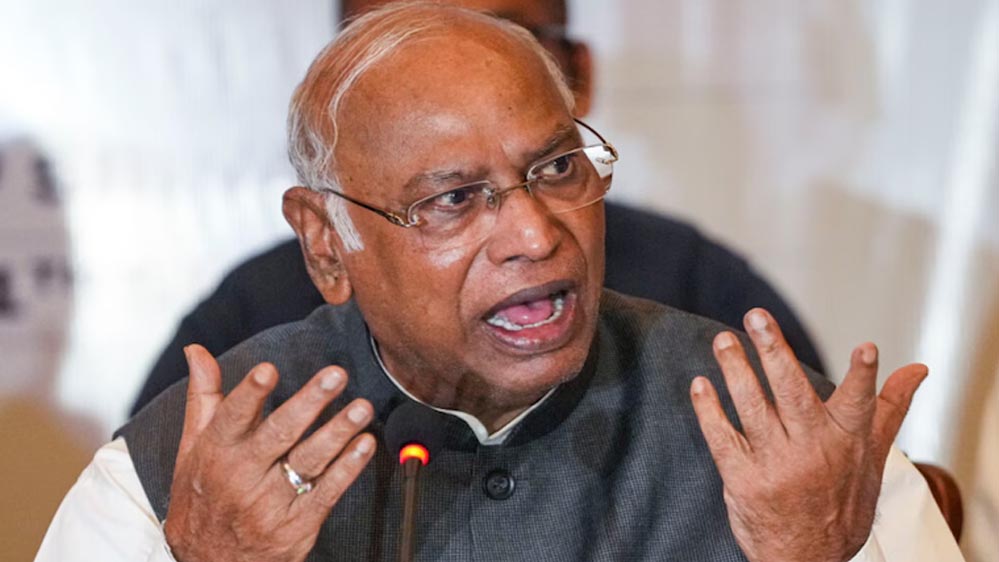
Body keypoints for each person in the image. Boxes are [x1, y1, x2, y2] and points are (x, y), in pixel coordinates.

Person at [38, 4, 961, 561]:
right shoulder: (180, 477)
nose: (534, 234)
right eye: (452, 200)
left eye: (556, 169)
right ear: (326, 244)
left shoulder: (786, 443)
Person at [129, 0, 825, 416]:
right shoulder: (246, 334)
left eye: (498, 35)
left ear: (574, 75)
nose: (533, 237)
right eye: (452, 198)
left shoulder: (707, 302)